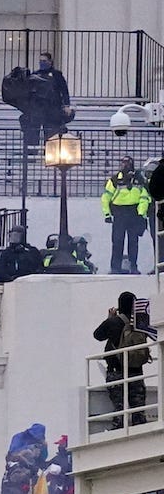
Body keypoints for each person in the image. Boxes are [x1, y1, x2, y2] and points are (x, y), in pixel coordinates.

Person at [94, 291, 152, 429]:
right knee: (138, 410)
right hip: (136, 371)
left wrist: (110, 318)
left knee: (119, 409)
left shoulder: (113, 322)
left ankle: (119, 430)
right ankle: (140, 432)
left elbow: (98, 335)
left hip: (116, 372)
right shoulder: (141, 322)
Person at [104, 156, 151, 275]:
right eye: (123, 163)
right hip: (119, 213)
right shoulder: (114, 180)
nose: (125, 166)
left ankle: (133, 267)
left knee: (133, 242)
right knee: (117, 241)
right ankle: (115, 267)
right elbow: (105, 197)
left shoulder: (139, 180)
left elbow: (144, 198)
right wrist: (107, 214)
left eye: (128, 163)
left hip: (134, 213)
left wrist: (141, 214)